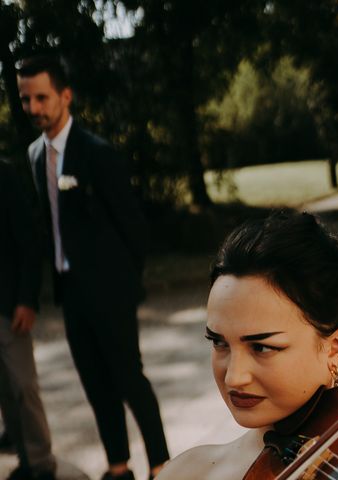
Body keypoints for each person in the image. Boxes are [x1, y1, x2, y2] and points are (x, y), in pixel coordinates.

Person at [16, 55, 169, 480]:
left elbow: (134, 228)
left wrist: (123, 283)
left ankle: (160, 463)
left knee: (129, 379)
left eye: (42, 97)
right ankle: (118, 466)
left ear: (65, 95)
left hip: (110, 290)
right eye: (26, 99)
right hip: (71, 290)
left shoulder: (97, 154)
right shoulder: (33, 155)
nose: (33, 108)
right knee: (95, 384)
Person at [156, 211, 338, 479]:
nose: (234, 377)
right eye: (219, 342)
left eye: (262, 347)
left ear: (335, 347)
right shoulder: (185, 473)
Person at [0, 158, 56, 480]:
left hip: (8, 305)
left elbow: (28, 241)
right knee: (4, 390)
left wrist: (26, 300)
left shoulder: (4, 174)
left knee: (24, 385)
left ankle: (42, 463)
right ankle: (25, 461)